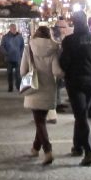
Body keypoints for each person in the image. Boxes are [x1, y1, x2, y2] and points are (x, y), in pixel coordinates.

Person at [59, 11, 91, 166]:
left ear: (74, 23)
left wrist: (66, 70)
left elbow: (63, 62)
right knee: (81, 114)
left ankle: (89, 151)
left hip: (75, 82)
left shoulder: (69, 41)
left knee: (81, 116)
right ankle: (77, 146)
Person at [20, 25, 64, 165]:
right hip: (48, 89)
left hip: (34, 88)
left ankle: (48, 151)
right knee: (41, 121)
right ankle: (35, 148)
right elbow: (57, 72)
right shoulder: (54, 50)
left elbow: (23, 71)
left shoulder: (29, 48)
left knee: (39, 122)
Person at [0, 23, 26, 92]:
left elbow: (22, 46)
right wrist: (6, 53)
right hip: (9, 58)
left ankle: (18, 86)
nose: (14, 30)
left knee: (18, 74)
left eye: (15, 28)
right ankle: (10, 87)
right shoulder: (5, 37)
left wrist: (20, 54)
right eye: (13, 28)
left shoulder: (20, 37)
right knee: (9, 74)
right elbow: (2, 46)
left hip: (17, 58)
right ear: (10, 29)